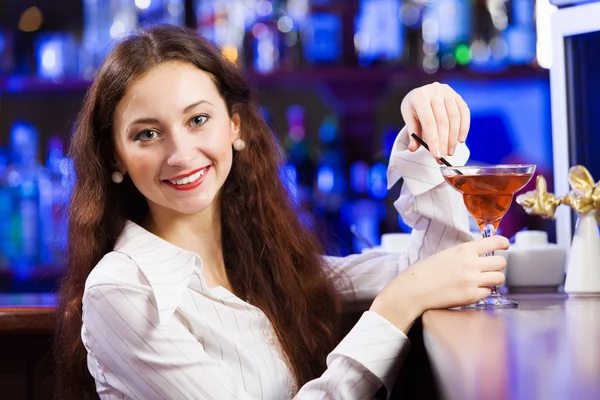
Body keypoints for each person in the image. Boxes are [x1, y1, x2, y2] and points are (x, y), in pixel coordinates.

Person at [54, 25, 508, 400]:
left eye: (197, 120)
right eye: (148, 134)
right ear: (114, 157)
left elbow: (443, 273)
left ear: (233, 126)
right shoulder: (121, 291)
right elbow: (412, 287)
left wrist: (428, 136)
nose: (181, 153)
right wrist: (397, 305)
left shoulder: (265, 262)